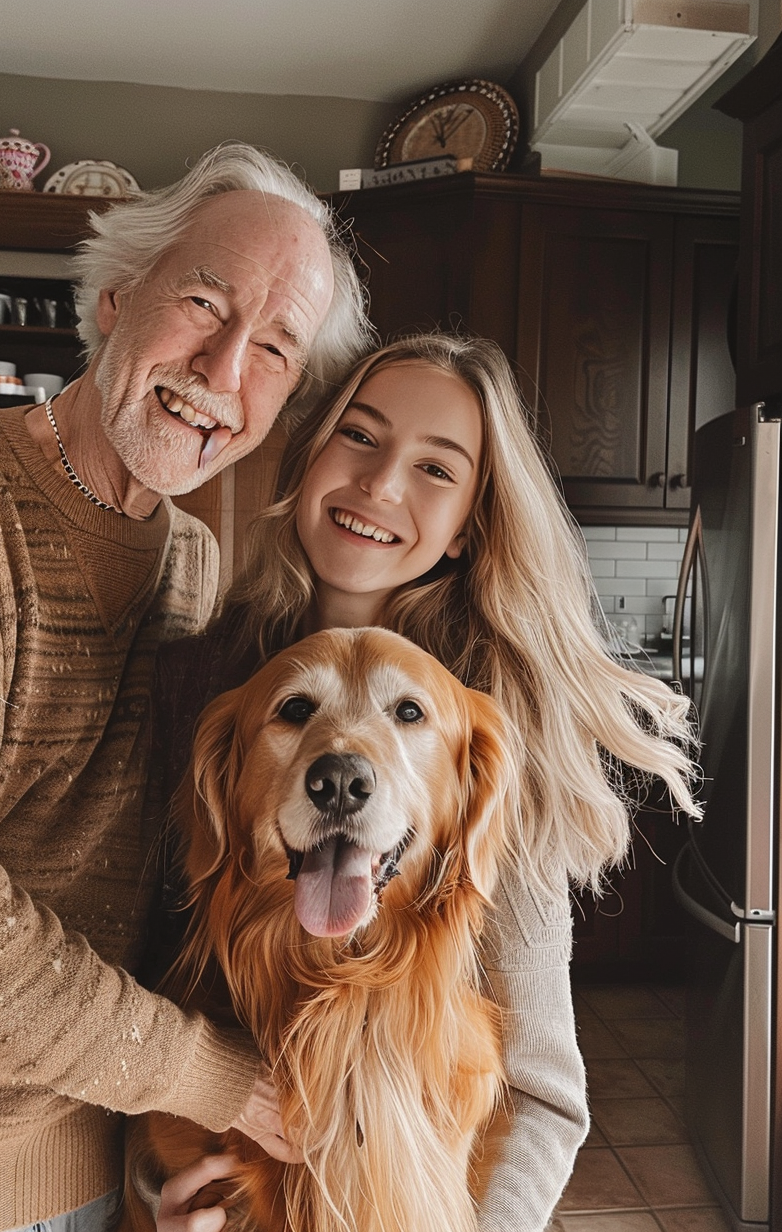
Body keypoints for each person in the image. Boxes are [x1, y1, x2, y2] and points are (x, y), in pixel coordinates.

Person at [0, 141, 374, 1232]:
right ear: (113, 295)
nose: (225, 370)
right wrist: (220, 1084)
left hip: (101, 1159)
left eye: (275, 349)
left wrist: (164, 1145)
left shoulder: (191, 563)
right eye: (202, 303)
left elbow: (130, 897)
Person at [145, 332, 701, 1232]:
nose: (380, 484)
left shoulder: (486, 735)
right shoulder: (201, 675)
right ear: (311, 449)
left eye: (436, 469)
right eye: (359, 436)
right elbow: (139, 981)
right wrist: (156, 1192)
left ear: (472, 520)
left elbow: (542, 1092)